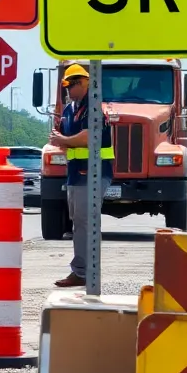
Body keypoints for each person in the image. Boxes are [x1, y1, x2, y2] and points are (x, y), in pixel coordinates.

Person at [48, 63, 113, 288]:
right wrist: (60, 140)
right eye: (66, 85)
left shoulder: (93, 108)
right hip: (76, 174)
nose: (68, 89)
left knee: (87, 222)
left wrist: (63, 140)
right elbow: (63, 138)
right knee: (79, 223)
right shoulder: (69, 110)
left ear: (84, 83)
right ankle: (81, 271)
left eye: (71, 85)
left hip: (94, 172)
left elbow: (89, 137)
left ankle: (87, 272)